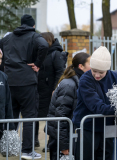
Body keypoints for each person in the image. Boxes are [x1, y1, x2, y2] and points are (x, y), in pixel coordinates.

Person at [0, 14, 49, 159]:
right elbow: (44, 45)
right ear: (32, 26)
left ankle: (8, 148)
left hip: (9, 80)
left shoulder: (8, 38)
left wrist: (5, 64)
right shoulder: (34, 36)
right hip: (27, 81)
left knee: (11, 116)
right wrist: (38, 64)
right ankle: (27, 151)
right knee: (29, 116)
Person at [72, 46, 117, 160]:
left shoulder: (115, 77)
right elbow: (96, 106)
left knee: (106, 156)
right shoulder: (85, 79)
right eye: (94, 71)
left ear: (108, 69)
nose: (97, 75)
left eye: (101, 72)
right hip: (88, 127)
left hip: (108, 126)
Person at [47, 52, 90, 160]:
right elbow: (61, 117)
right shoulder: (69, 84)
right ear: (81, 66)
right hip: (62, 140)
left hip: (70, 136)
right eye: (91, 63)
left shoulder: (80, 81)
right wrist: (64, 146)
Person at [35, 32, 65, 149]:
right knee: (34, 115)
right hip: (38, 89)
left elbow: (60, 72)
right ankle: (34, 140)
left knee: (51, 117)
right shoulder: (40, 53)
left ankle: (50, 143)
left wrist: (55, 89)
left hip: (50, 91)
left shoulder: (56, 54)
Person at [0, 49, 15, 139]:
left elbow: (8, 102)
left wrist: (10, 125)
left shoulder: (3, 76)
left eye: (1, 58)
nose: (0, 61)